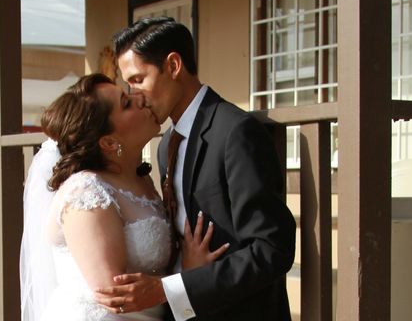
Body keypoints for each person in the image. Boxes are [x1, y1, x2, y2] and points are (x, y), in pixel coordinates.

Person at [94, 17, 296, 320]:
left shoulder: (235, 132)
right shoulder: (166, 146)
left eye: (138, 79)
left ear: (174, 66)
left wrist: (171, 288)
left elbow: (271, 249)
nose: (134, 94)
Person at [20, 73, 228, 321]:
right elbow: (115, 294)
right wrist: (189, 276)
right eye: (126, 103)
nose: (139, 98)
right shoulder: (87, 191)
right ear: (108, 142)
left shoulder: (142, 181)